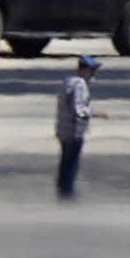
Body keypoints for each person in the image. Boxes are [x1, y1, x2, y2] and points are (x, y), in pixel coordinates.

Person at [55, 55, 101, 200]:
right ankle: (67, 194)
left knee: (65, 162)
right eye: (92, 70)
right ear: (85, 70)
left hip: (63, 129)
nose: (93, 74)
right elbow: (78, 109)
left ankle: (62, 190)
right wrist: (95, 113)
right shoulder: (80, 84)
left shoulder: (67, 81)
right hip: (75, 132)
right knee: (71, 164)